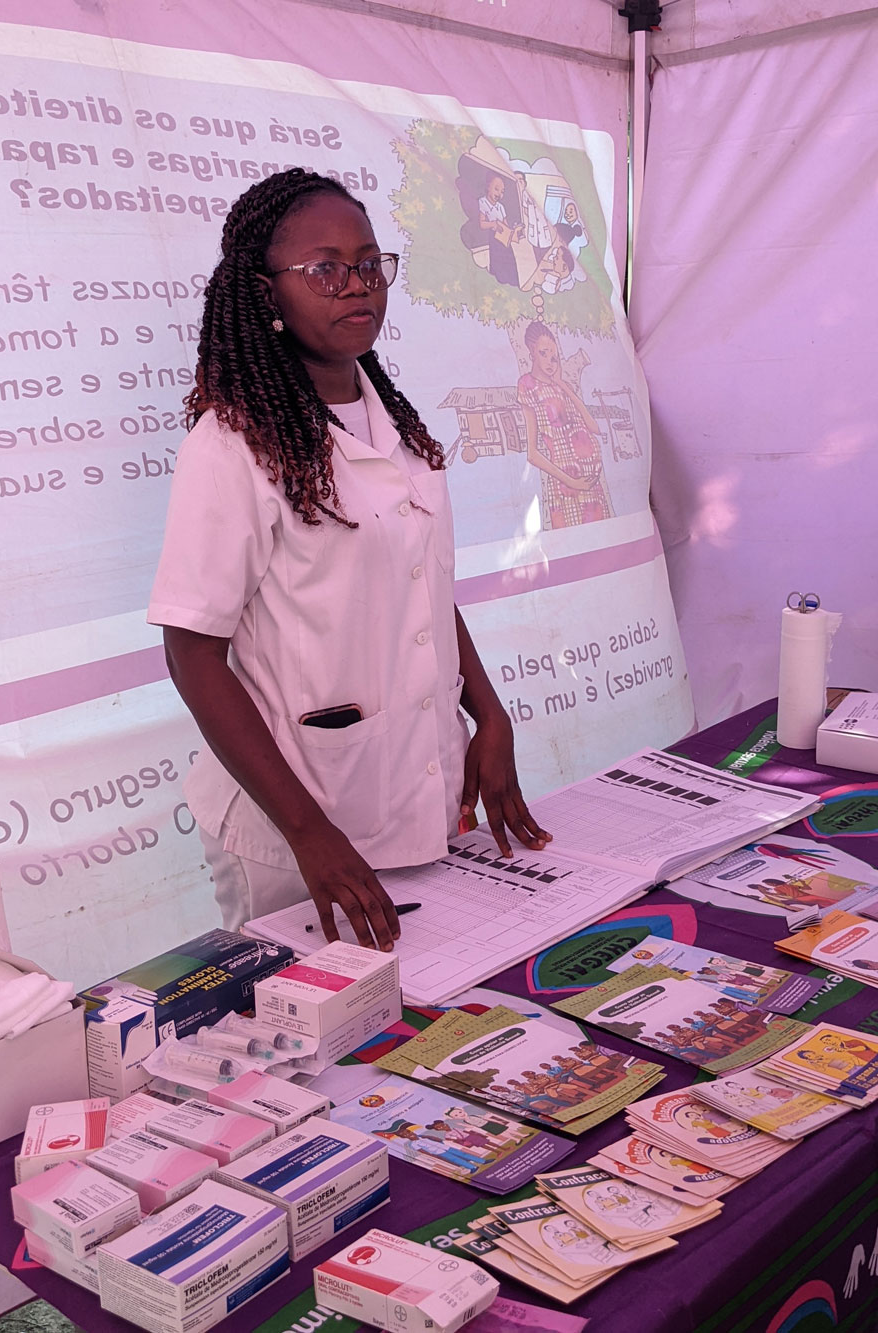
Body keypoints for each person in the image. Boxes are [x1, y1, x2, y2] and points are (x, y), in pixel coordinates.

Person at [148, 168, 549, 950]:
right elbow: (192, 652)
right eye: (324, 269)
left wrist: (488, 712)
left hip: (409, 788)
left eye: (369, 263)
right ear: (266, 293)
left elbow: (418, 584)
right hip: (296, 825)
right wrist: (309, 831)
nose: (357, 285)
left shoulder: (391, 422)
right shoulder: (231, 445)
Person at [517, 321, 612, 528]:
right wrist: (571, 482)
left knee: (601, 545)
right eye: (543, 353)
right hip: (565, 486)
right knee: (575, 547)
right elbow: (532, 454)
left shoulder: (561, 386)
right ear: (532, 352)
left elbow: (593, 427)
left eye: (554, 356)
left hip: (590, 485)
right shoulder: (527, 385)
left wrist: (562, 384)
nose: (550, 361)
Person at [477, 173, 521, 287]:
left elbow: (505, 223)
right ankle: (499, 281)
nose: (499, 194)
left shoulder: (501, 207)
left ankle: (512, 280)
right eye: (496, 189)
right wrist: (494, 224)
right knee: (497, 261)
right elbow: (481, 224)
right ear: (488, 187)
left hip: (504, 238)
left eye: (502, 191)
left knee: (509, 260)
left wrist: (512, 232)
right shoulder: (483, 202)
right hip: (494, 237)